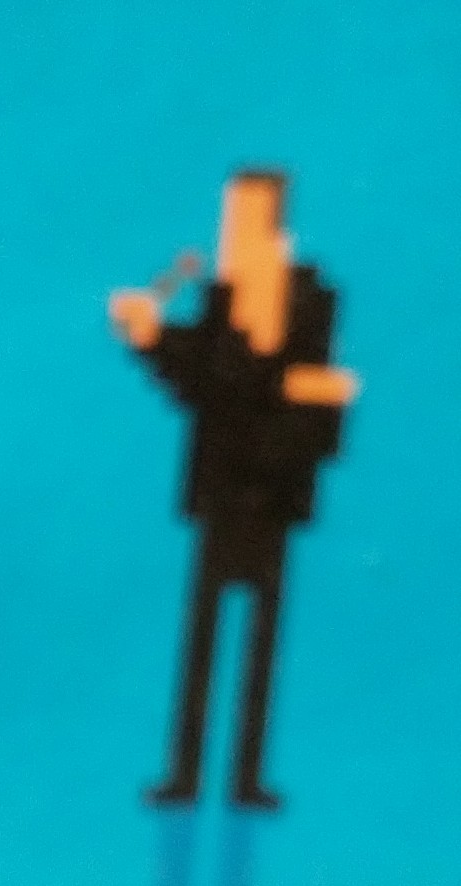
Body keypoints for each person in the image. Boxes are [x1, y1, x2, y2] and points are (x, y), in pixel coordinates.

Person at [111, 171, 359, 809]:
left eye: (245, 219)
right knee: (203, 637)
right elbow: (199, 383)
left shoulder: (312, 295)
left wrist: (307, 396)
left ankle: (248, 776)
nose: (230, 232)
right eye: (229, 218)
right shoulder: (219, 298)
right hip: (221, 489)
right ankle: (186, 773)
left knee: (261, 641)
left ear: (275, 223)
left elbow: (310, 387)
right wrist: (150, 340)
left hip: (274, 491)